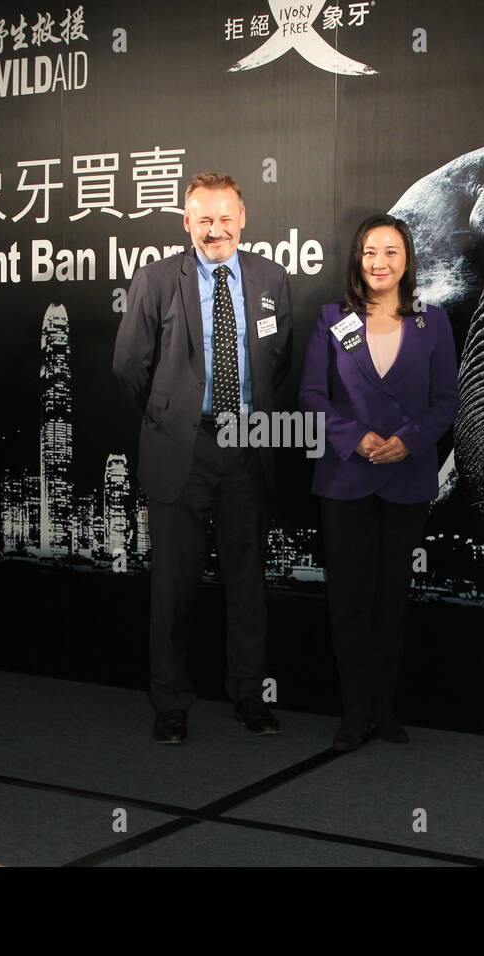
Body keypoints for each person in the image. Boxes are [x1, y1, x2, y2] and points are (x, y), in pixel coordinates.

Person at [112, 173, 293, 743]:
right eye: (203, 220)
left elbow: (278, 362)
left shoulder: (271, 279)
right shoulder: (157, 279)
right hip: (180, 451)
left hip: (248, 447)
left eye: (225, 218)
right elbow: (128, 367)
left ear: (243, 217)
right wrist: (171, 418)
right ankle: (170, 702)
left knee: (247, 581)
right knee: (173, 584)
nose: (216, 230)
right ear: (186, 224)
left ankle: (250, 696)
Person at [299, 214, 459, 751]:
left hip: (407, 479)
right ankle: (352, 713)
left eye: (391, 252)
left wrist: (410, 439)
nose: (380, 262)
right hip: (345, 478)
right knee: (347, 600)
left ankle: (384, 709)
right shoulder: (331, 320)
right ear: (357, 260)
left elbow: (447, 402)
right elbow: (312, 398)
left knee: (391, 599)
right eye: (370, 252)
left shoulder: (432, 322)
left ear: (407, 260)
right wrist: (355, 437)